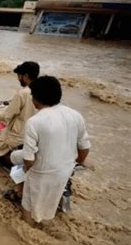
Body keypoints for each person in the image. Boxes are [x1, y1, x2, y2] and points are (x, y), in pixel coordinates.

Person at [17, 76, 91, 225]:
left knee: (28, 205)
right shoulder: (75, 115)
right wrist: (80, 161)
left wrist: (27, 171)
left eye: (32, 95)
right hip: (65, 170)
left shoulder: (35, 121)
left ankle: (27, 228)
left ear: (36, 98)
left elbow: (28, 160)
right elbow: (84, 147)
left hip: (42, 174)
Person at [0, 61, 40, 167]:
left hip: (16, 136)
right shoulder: (41, 91)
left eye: (19, 76)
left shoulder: (22, 94)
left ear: (25, 76)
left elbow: (6, 116)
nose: (18, 79)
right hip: (32, 136)